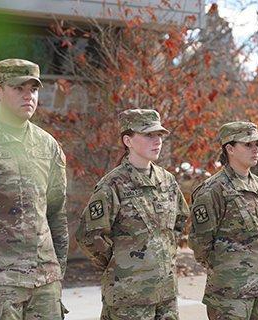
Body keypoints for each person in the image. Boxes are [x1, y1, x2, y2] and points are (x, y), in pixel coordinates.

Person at [0, 59, 68, 319]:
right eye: (18, 88)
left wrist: (58, 273)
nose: (28, 95)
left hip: (45, 283)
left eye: (33, 89)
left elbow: (56, 214)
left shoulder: (48, 146)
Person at [76, 109, 189, 320]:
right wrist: (118, 263)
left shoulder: (167, 181)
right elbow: (89, 235)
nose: (157, 141)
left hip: (165, 293)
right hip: (129, 296)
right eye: (148, 135)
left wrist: (163, 253)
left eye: (159, 135)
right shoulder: (112, 185)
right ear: (128, 140)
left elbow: (180, 221)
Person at [189, 121, 258, 320]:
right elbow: (200, 242)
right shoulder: (214, 189)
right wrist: (224, 268)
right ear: (230, 149)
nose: (255, 150)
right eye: (248, 144)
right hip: (229, 293)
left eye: (257, 145)